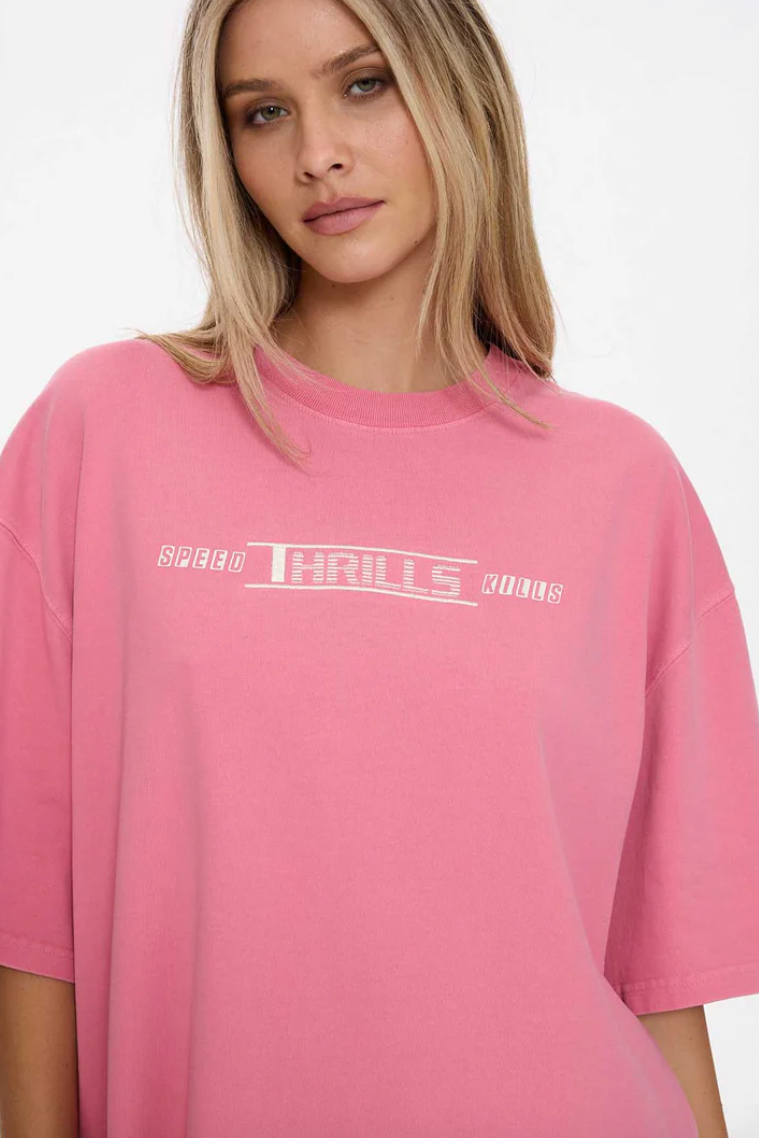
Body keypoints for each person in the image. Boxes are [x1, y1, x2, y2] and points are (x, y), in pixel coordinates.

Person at [1, 0, 757, 1135]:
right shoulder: (102, 430)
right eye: (263, 112)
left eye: (364, 84)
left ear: (460, 89)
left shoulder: (621, 482)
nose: (317, 154)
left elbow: (656, 988)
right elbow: (27, 921)